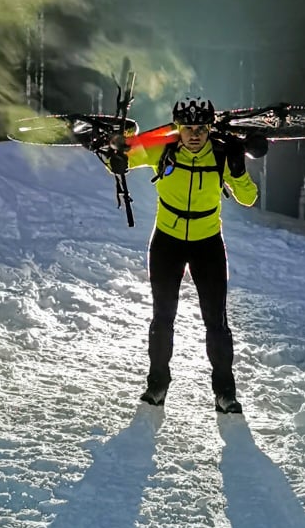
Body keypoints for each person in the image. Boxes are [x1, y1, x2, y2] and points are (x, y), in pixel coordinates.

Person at [97, 96, 266, 414]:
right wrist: (115, 158)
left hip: (208, 245)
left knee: (216, 322)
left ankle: (225, 393)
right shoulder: (163, 146)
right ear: (177, 126)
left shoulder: (220, 153)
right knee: (163, 317)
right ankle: (157, 385)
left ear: (209, 128)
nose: (194, 134)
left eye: (200, 128)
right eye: (187, 127)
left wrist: (239, 170)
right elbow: (121, 158)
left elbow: (248, 198)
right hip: (167, 243)